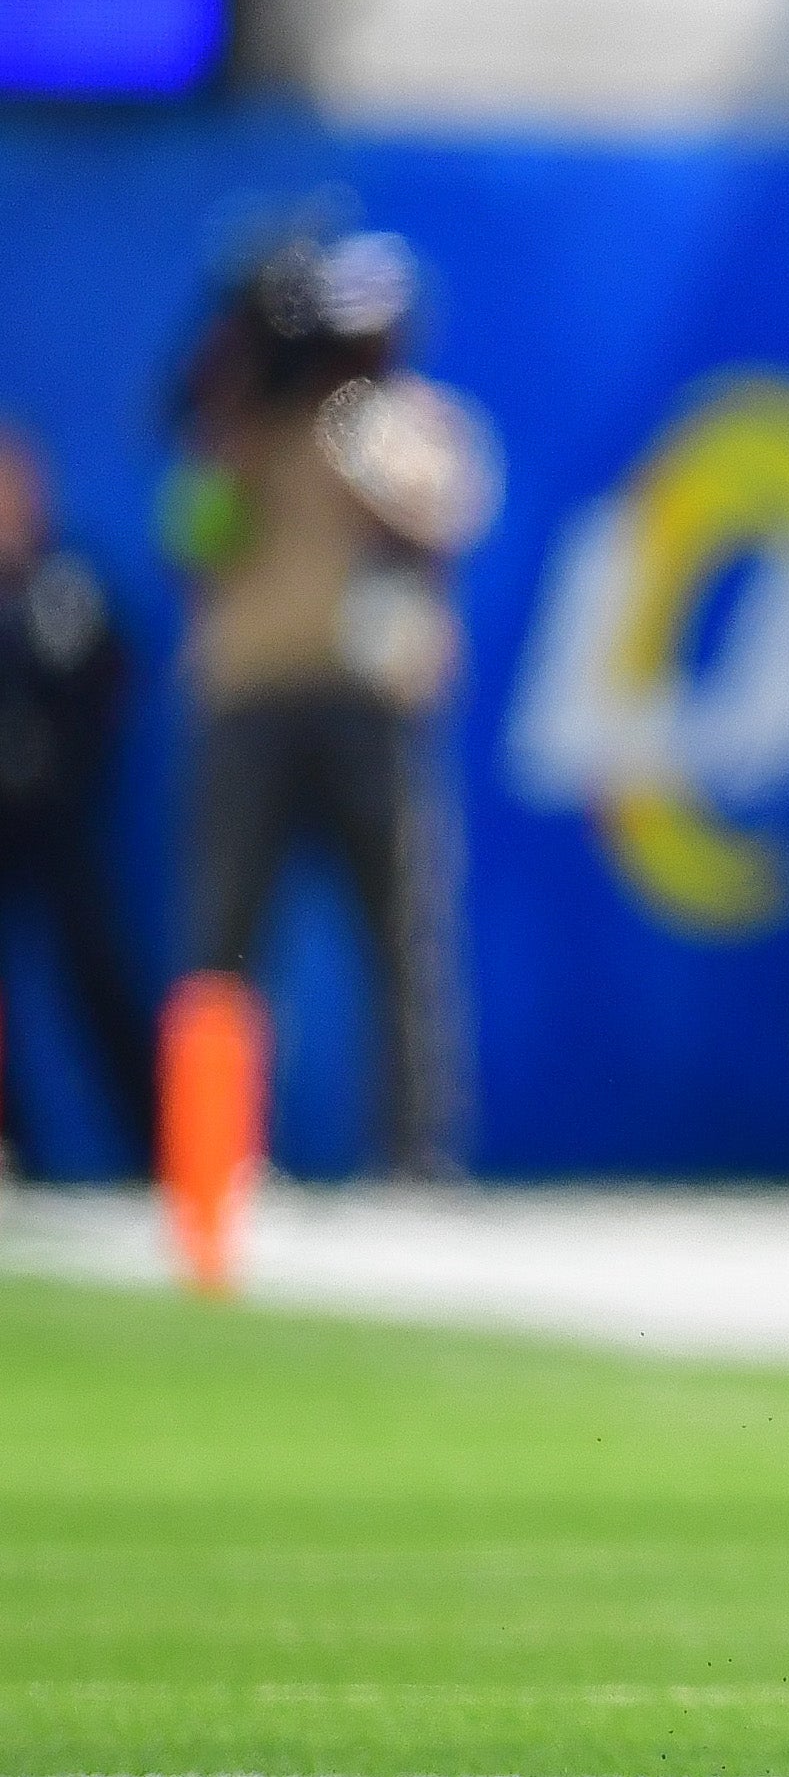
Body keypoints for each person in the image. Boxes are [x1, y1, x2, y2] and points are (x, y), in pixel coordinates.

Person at [165, 230, 496, 1177]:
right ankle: (211, 1152)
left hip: (369, 703)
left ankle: (413, 1155)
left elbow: (439, 519)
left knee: (401, 936)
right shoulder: (245, 427)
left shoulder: (414, 421)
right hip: (251, 701)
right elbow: (194, 539)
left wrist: (352, 430)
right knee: (224, 934)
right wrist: (238, 416)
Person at [0, 423, 155, 1166]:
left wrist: (61, 765)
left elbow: (107, 680)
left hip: (61, 815)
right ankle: (11, 1148)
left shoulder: (69, 582)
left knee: (94, 973)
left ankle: (159, 1145)